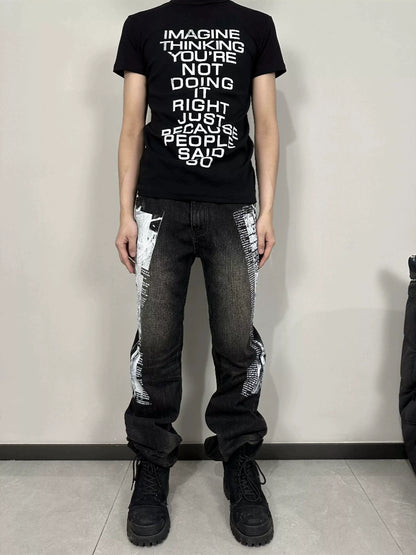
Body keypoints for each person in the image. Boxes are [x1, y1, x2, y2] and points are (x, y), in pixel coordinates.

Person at [113, 0, 286, 547]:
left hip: (232, 207)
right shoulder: (142, 27)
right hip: (158, 206)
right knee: (157, 342)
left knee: (235, 341)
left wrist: (266, 212)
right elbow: (132, 127)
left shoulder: (256, 27)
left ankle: (239, 462)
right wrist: (124, 213)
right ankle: (152, 467)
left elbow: (266, 127)